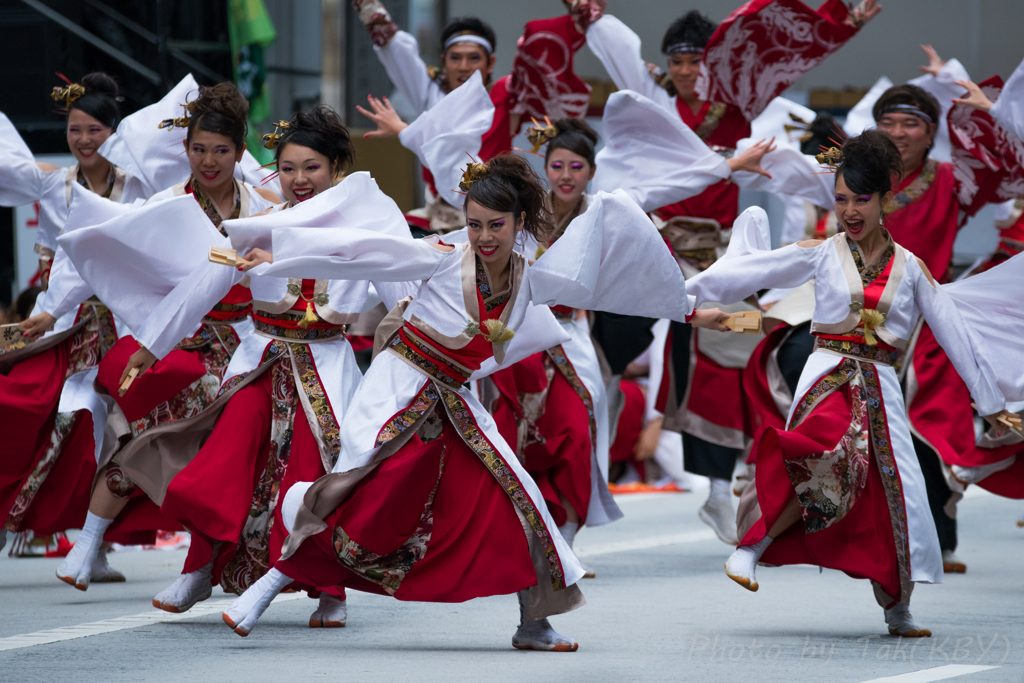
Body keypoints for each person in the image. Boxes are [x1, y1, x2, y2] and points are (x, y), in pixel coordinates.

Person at [217, 154, 730, 649]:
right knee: (354, 495)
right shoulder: (439, 258)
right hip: (400, 389)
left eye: (496, 226)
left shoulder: (530, 277)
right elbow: (361, 251)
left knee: (521, 499)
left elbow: (608, 289)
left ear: (519, 222)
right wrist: (280, 256)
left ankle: (534, 623)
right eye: (474, 224)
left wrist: (686, 310)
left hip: (455, 400)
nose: (483, 237)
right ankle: (262, 592)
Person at [685, 130, 1024, 637]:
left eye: (861, 199)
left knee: (894, 495)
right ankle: (750, 548)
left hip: (882, 386)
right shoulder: (821, 253)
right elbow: (752, 270)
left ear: (886, 199)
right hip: (827, 377)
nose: (849, 210)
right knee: (822, 449)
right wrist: (681, 297)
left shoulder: (912, 270)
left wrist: (992, 402)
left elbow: (955, 335)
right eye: (840, 198)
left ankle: (897, 606)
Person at [584, 0, 880, 543]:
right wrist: (590, 16)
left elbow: (789, 54)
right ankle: (582, 475)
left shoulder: (738, 107)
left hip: (718, 264)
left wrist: (844, 21)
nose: (688, 71)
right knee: (594, 360)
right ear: (666, 65)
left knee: (738, 349)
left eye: (697, 61)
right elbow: (621, 53)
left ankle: (722, 492)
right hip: (652, 255)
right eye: (678, 62)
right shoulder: (653, 99)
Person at [103, 107, 400, 628]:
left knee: (316, 477)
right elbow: (202, 284)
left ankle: (331, 590)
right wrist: (151, 345)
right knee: (226, 457)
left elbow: (403, 292)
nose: (299, 180)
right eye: (287, 168)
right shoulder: (256, 226)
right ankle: (200, 568)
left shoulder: (366, 226)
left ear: (335, 168)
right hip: (262, 361)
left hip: (327, 367)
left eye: (311, 167)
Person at [53, 82, 278, 591]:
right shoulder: (165, 204)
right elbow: (103, 255)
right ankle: (88, 544)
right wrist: (51, 312)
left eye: (221, 150)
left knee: (231, 456)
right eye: (198, 149)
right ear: (185, 150)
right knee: (148, 442)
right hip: (179, 342)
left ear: (240, 153)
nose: (209, 160)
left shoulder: (266, 205)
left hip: (249, 345)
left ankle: (201, 567)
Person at [0, 73, 151, 572]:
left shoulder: (141, 186)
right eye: (74, 131)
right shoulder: (53, 183)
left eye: (95, 130)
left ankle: (98, 543)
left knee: (122, 431)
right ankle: (19, 518)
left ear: (115, 133)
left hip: (128, 321)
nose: (84, 141)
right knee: (51, 415)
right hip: (65, 321)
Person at [352, 0, 595, 233]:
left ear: (490, 63)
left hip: (495, 215)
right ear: (443, 62)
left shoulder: (504, 95)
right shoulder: (432, 98)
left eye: (474, 58)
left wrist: (580, 22)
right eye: (456, 57)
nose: (464, 66)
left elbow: (535, 66)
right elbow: (397, 53)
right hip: (437, 217)